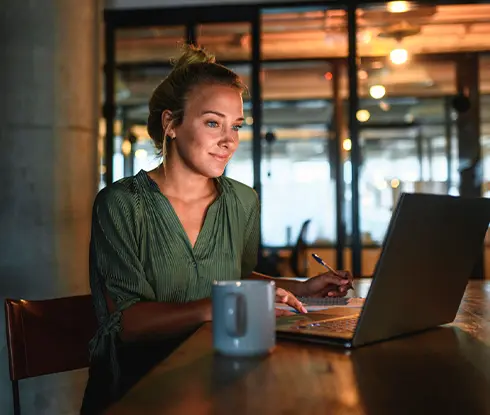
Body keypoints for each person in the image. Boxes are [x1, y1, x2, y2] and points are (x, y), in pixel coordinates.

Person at [81, 45, 352, 413]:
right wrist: (221, 306)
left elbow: (233, 278)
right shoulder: (120, 204)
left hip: (224, 375)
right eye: (213, 123)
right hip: (139, 390)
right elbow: (127, 323)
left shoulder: (243, 201)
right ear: (170, 124)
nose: (229, 141)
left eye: (236, 126)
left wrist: (301, 288)